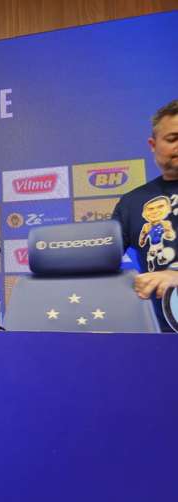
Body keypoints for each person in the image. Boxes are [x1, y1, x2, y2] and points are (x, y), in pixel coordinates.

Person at [112, 99, 178, 330]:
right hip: (158, 336)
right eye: (173, 138)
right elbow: (102, 260)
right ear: (153, 144)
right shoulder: (132, 202)